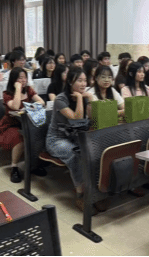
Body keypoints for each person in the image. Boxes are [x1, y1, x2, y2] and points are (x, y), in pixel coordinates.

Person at [46, 67, 95, 211]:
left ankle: (95, 192)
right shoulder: (60, 99)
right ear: (70, 82)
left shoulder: (84, 96)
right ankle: (81, 196)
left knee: (94, 151)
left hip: (75, 137)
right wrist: (80, 98)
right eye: (79, 80)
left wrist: (90, 99)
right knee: (76, 155)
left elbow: (92, 118)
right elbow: (76, 120)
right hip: (56, 140)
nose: (83, 84)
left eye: (85, 80)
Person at [0, 68, 45, 183]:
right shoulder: (7, 94)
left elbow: (41, 102)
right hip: (10, 125)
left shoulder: (28, 89)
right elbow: (15, 106)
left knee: (37, 134)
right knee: (20, 138)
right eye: (20, 78)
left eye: (25, 78)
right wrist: (18, 89)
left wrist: (29, 107)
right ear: (13, 80)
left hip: (26, 123)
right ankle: (14, 168)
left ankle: (33, 165)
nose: (23, 80)